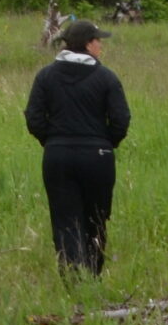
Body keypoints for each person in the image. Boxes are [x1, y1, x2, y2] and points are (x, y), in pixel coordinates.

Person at [24, 19, 131, 275]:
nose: (101, 46)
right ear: (88, 44)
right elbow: (121, 119)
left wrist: (51, 140)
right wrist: (106, 142)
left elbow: (34, 117)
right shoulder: (106, 77)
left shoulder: (46, 75)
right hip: (98, 155)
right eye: (98, 41)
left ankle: (72, 276)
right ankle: (93, 273)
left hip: (57, 155)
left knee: (64, 218)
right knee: (96, 217)